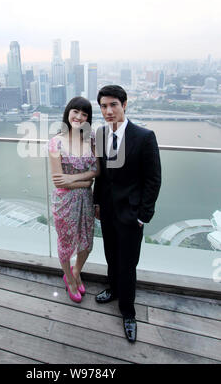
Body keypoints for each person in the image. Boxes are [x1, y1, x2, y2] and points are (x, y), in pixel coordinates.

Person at [94, 85, 161, 342]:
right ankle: (113, 289)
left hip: (132, 215)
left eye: (113, 105)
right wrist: (97, 203)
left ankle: (128, 312)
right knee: (111, 254)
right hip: (108, 211)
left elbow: (153, 179)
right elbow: (102, 177)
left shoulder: (144, 136)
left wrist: (144, 215)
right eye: (103, 106)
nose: (108, 111)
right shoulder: (100, 134)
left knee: (128, 263)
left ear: (124, 105)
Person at [48, 96, 99, 303]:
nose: (79, 117)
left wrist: (75, 178)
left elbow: (98, 170)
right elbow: (59, 182)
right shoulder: (55, 142)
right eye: (75, 112)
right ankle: (69, 279)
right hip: (65, 202)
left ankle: (76, 271)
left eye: (84, 114)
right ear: (68, 112)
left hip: (86, 201)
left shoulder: (92, 138)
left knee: (86, 243)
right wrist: (84, 183)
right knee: (66, 243)